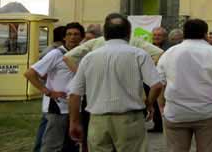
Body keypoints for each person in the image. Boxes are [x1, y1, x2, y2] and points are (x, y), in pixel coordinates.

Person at [67, 13, 164, 152]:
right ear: (129, 33)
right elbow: (157, 85)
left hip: (98, 120)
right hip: (130, 119)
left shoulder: (89, 58)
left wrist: (74, 122)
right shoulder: (139, 54)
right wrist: (149, 103)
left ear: (105, 34)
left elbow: (75, 94)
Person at [156, 19, 212, 152]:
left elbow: (159, 82)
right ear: (205, 34)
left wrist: (161, 106)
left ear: (184, 33)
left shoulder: (169, 53)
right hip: (208, 112)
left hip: (176, 112)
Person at [24, 22, 84, 152]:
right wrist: (48, 92)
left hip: (76, 107)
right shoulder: (56, 54)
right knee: (52, 145)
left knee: (72, 146)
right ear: (64, 37)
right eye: (69, 34)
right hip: (58, 108)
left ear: (81, 37)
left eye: (76, 34)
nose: (72, 37)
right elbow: (30, 73)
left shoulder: (83, 54)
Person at [33, 25, 66, 152]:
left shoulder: (51, 49)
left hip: (53, 100)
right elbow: (38, 72)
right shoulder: (54, 52)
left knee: (46, 128)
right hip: (53, 100)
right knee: (48, 131)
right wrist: (48, 90)